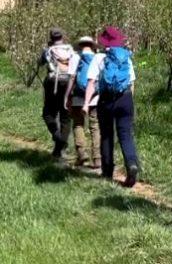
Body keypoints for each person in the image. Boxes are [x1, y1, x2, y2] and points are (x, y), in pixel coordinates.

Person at [82, 26, 139, 188]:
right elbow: (131, 83)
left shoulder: (99, 57)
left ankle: (107, 172)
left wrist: (86, 103)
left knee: (106, 135)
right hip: (125, 99)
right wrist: (129, 102)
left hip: (106, 100)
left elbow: (91, 82)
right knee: (125, 135)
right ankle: (132, 165)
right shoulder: (126, 57)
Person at [38, 28, 76, 160]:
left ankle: (57, 137)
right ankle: (60, 148)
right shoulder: (70, 51)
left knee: (48, 113)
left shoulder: (48, 50)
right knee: (65, 116)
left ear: (51, 38)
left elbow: (40, 63)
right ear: (62, 37)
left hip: (52, 83)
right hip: (69, 83)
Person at [65, 36, 101, 168]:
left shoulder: (75, 57)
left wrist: (67, 96)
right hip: (95, 97)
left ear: (80, 45)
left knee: (78, 124)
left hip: (78, 97)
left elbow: (72, 78)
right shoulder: (98, 57)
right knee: (95, 126)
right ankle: (97, 158)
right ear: (92, 45)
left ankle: (82, 155)